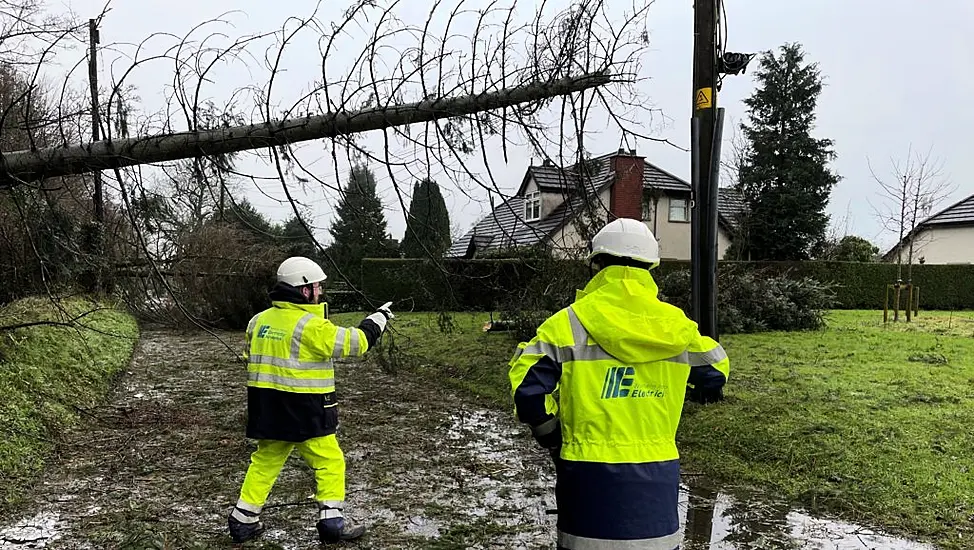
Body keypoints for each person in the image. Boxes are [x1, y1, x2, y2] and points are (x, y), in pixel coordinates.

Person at [508, 218, 729, 550]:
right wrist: (678, 388)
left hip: (585, 474)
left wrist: (551, 436)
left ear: (597, 265)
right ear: (651, 266)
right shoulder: (676, 325)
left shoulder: (566, 324)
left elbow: (528, 391)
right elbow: (715, 370)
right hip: (657, 475)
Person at [228, 256, 394, 545]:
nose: (320, 292)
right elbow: (357, 343)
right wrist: (378, 318)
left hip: (267, 410)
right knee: (329, 461)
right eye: (318, 287)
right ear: (304, 290)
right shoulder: (311, 326)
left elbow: (248, 358)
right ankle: (332, 522)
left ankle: (243, 520)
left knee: (265, 461)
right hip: (306, 411)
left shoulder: (258, 321)